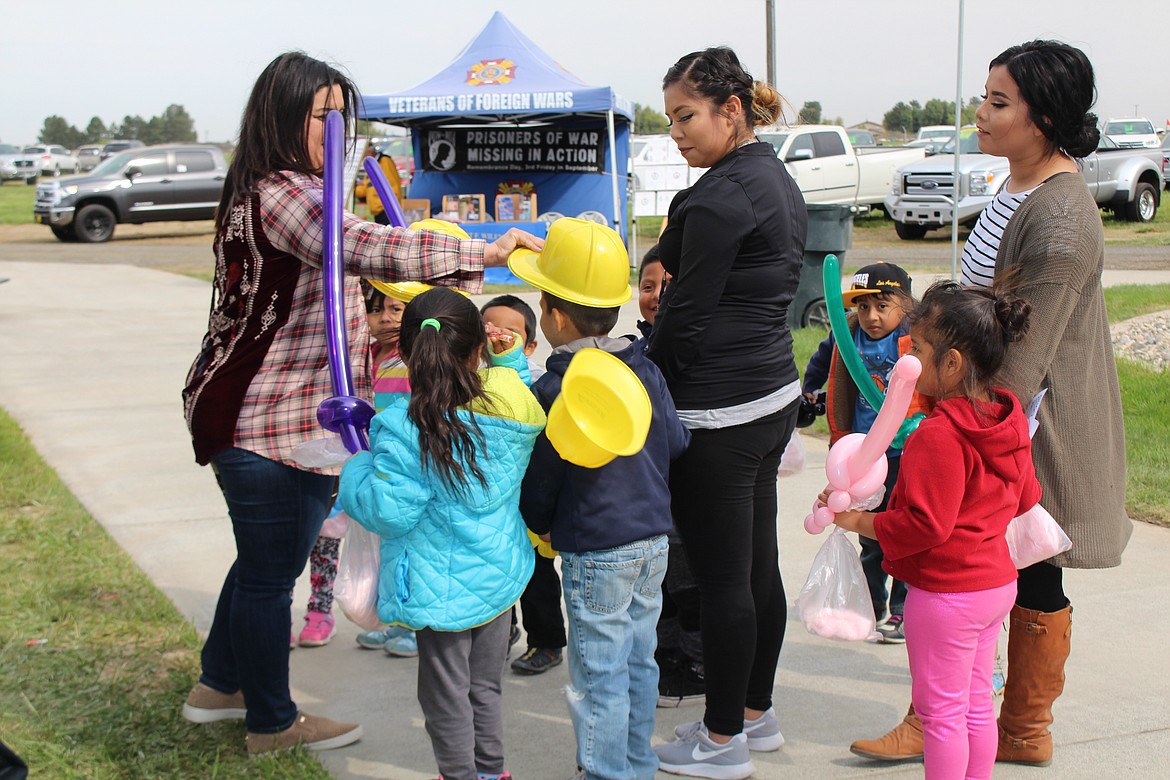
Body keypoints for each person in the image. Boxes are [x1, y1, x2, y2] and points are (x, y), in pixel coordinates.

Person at [179, 51, 540, 756]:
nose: (336, 131)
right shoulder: (285, 190)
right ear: (283, 114)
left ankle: (218, 686)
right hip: (265, 419)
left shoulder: (283, 188)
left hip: (288, 412)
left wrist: (373, 327)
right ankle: (272, 724)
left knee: (261, 563)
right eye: (324, 116)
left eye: (342, 116)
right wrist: (486, 254)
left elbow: (308, 293)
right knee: (268, 574)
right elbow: (358, 245)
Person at [851, 39, 1132, 768]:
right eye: (985, 95)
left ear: (1043, 118)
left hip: (1024, 423)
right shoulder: (1018, 189)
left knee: (1002, 563)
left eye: (998, 101)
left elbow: (1025, 359)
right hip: (992, 416)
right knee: (1009, 566)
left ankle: (1007, 725)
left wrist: (954, 429)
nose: (979, 112)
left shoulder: (1061, 219)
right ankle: (990, 722)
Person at [646, 47, 806, 779]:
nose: (676, 132)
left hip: (721, 412)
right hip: (771, 396)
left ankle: (720, 742)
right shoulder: (770, 175)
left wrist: (648, 381)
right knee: (755, 564)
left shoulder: (715, 197)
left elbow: (684, 323)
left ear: (730, 111)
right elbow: (692, 265)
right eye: (670, 119)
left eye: (686, 116)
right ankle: (754, 714)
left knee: (722, 580)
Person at [831, 280, 1042, 780]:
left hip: (947, 594)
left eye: (919, 347)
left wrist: (858, 520)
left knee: (940, 715)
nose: (908, 353)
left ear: (951, 364)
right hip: (995, 586)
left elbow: (925, 524)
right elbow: (1027, 497)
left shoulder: (939, 435)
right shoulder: (1007, 419)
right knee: (973, 705)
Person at [511, 218, 690, 780]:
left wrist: (535, 523)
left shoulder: (555, 387)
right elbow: (677, 442)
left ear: (557, 316)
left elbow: (542, 478)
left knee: (598, 677)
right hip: (652, 542)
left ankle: (606, 772)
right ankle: (636, 765)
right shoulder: (646, 369)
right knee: (638, 663)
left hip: (595, 549)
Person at [339, 287, 543, 780]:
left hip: (439, 591)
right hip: (498, 580)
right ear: (479, 350)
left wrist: (357, 468)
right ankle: (492, 771)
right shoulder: (512, 406)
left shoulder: (401, 428)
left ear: (406, 353)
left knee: (445, 696)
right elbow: (514, 387)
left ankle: (459, 774)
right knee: (484, 687)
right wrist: (510, 360)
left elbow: (389, 512)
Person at [800, 262, 933, 643]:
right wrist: (809, 390)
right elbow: (823, 358)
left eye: (882, 305)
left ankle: (903, 610)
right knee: (869, 537)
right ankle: (869, 604)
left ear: (906, 304)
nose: (871, 316)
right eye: (863, 306)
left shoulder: (916, 337)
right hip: (863, 459)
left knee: (905, 533)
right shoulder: (849, 333)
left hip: (906, 453)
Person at [480, 294, 568, 675]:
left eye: (510, 332)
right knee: (495, 574)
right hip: (493, 500)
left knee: (537, 576)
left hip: (530, 499)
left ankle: (546, 641)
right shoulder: (471, 379)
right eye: (488, 329)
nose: (498, 337)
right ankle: (503, 633)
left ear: (530, 344)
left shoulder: (537, 381)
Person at [633, 246, 702, 708]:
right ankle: (670, 660)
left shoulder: (698, 347)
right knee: (661, 585)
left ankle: (698, 667)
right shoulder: (633, 352)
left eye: (668, 285)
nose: (656, 295)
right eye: (647, 286)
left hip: (693, 489)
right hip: (651, 493)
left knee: (690, 582)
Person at [353, 140, 403, 225]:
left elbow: (392, 185)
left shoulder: (384, 161)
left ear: (369, 151)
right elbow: (366, 188)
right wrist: (354, 189)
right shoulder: (369, 165)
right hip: (377, 210)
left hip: (386, 208)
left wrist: (390, 204)